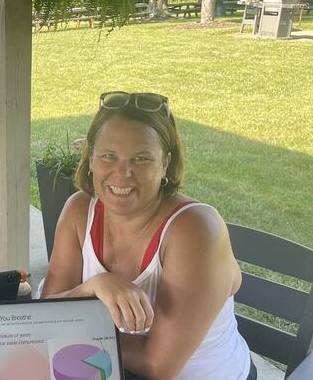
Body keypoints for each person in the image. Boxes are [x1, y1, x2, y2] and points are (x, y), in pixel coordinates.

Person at [41, 91, 254, 380]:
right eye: (108, 156)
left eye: (141, 158)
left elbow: (157, 366)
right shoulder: (79, 210)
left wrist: (74, 323)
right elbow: (43, 317)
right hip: (111, 366)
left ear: (165, 163)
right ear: (90, 159)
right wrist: (95, 286)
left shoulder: (196, 230)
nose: (122, 172)